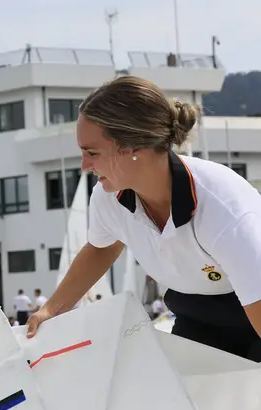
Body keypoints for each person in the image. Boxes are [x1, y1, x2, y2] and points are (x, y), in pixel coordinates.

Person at [27, 75, 261, 364]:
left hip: (254, 305)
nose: (85, 165)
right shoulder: (108, 197)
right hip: (198, 312)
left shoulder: (221, 207)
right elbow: (102, 247)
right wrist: (52, 309)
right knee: (178, 400)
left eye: (92, 152)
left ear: (133, 148)